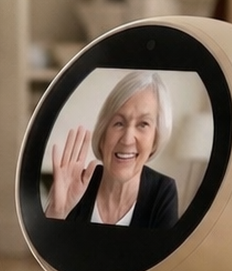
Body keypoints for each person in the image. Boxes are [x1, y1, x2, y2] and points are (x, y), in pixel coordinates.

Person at [46, 70, 179, 229]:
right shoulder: (76, 185)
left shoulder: (162, 192)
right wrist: (57, 211)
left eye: (143, 124)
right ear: (103, 133)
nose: (127, 139)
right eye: (118, 123)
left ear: (155, 138)